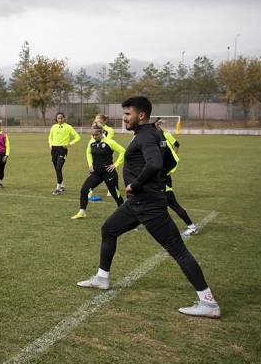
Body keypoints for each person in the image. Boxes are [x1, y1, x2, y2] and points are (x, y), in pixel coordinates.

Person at [77, 96, 220, 319]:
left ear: (140, 115)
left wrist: (137, 183)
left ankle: (208, 302)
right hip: (138, 204)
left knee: (178, 250)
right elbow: (170, 162)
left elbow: (155, 163)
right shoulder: (155, 133)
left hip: (148, 205)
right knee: (109, 229)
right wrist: (155, 183)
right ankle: (102, 278)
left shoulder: (145, 136)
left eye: (127, 114)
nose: (124, 118)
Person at [71, 123, 126, 219]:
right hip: (96, 172)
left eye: (96, 135)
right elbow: (88, 152)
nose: (94, 137)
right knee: (84, 190)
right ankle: (82, 212)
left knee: (115, 194)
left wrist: (115, 165)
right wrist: (90, 164)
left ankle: (127, 216)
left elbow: (123, 151)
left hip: (108, 172)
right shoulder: (91, 143)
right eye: (93, 135)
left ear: (102, 133)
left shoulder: (109, 142)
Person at [155, 119, 199, 237]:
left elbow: (173, 160)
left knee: (172, 203)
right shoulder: (159, 146)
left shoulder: (162, 146)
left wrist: (164, 173)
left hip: (163, 180)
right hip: (159, 179)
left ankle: (192, 227)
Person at [47, 111, 80, 195]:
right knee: (57, 169)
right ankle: (62, 185)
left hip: (62, 149)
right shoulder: (54, 127)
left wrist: (70, 144)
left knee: (58, 168)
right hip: (54, 149)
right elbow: (50, 137)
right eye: (58, 118)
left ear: (64, 118)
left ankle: (57, 189)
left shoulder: (68, 127)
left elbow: (77, 137)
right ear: (56, 119)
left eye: (61, 118)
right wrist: (51, 145)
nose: (60, 119)